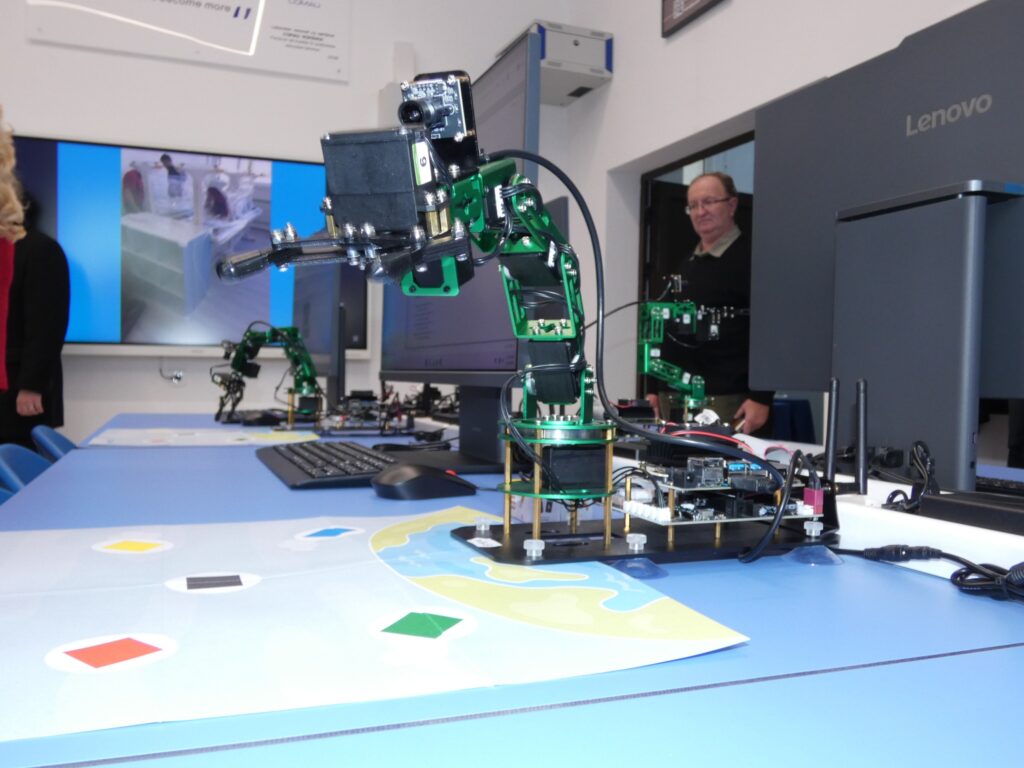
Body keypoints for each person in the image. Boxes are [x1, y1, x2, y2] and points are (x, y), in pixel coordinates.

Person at [645, 171, 772, 436]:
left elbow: (773, 328)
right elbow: (663, 328)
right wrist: (653, 388)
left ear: (732, 205)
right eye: (693, 205)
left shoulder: (754, 258)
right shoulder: (685, 265)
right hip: (675, 402)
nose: (700, 211)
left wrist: (761, 396)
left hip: (727, 402)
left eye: (709, 202)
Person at [0, 107, 71, 449]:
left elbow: (46, 326)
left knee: (21, 463)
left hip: (20, 394)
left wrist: (31, 385)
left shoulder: (40, 250)